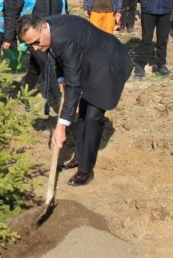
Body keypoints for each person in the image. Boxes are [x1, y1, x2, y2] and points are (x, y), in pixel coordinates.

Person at [16, 14, 132, 186]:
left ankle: (86, 170)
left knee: (92, 116)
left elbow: (73, 86)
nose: (35, 48)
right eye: (30, 45)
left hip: (107, 63)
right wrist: (61, 77)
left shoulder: (63, 39)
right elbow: (58, 56)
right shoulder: (48, 31)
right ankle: (80, 156)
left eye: (36, 42)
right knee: (84, 111)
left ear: (44, 27)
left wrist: (61, 126)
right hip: (89, 61)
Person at [12, 0, 68, 107]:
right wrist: (12, 36)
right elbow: (13, 11)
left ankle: (25, 94)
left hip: (54, 32)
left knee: (35, 67)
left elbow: (65, 7)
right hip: (33, 35)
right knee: (46, 64)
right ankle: (57, 100)